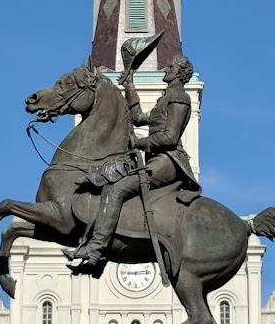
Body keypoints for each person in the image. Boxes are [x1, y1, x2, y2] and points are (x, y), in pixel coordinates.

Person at [67, 54, 201, 270]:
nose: (166, 68)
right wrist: (129, 85)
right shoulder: (165, 99)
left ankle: (97, 248)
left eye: (171, 66)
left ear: (180, 73)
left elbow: (170, 138)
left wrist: (140, 142)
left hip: (169, 161)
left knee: (118, 189)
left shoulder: (180, 98)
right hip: (157, 159)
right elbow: (138, 117)